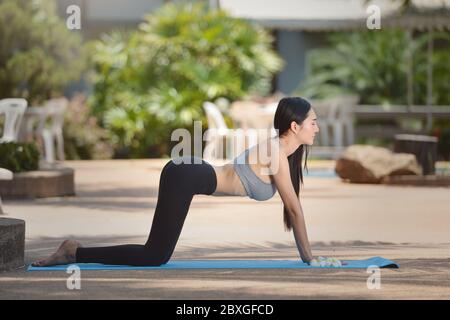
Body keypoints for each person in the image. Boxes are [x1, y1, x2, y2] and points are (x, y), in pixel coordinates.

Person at [32, 96, 332, 267]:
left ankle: (76, 251)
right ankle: (74, 251)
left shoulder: (283, 153)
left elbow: (293, 207)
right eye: (313, 122)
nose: (317, 128)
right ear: (295, 126)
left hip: (189, 174)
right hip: (185, 175)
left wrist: (309, 256)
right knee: (155, 255)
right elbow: (294, 210)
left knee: (155, 254)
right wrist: (309, 258)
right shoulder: (275, 152)